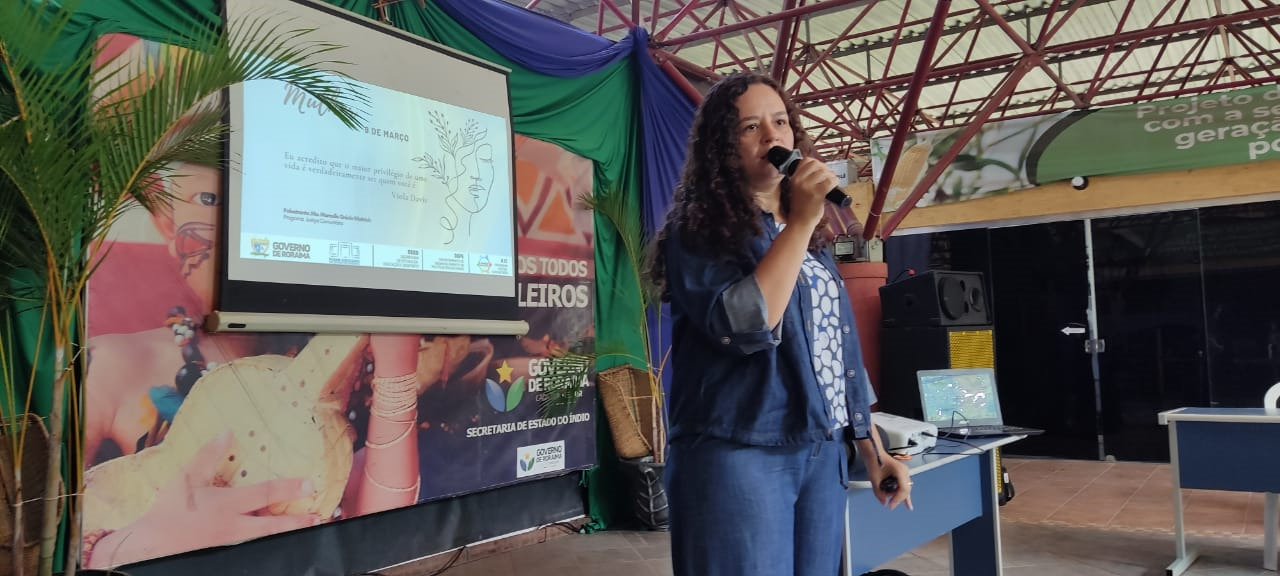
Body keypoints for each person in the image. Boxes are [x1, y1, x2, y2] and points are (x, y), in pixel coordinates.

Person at [649, 71, 913, 576]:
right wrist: (802, 223)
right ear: (722, 147)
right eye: (750, 127)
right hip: (739, 451)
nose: (772, 137)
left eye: (780, 122)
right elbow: (747, 324)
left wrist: (873, 450)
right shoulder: (700, 229)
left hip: (819, 450)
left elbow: (838, 355)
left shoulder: (806, 241)